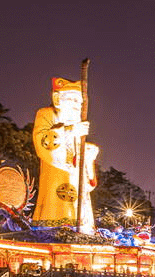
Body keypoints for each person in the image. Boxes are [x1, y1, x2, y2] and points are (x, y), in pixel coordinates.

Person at [32, 77, 98, 231]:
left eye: (78, 101)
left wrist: (88, 155)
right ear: (57, 99)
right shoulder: (47, 114)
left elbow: (77, 157)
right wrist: (69, 131)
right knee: (56, 206)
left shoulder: (77, 123)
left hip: (76, 179)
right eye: (71, 99)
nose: (76, 105)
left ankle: (83, 227)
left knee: (80, 209)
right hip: (56, 174)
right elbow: (42, 141)